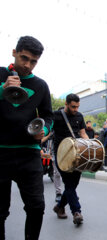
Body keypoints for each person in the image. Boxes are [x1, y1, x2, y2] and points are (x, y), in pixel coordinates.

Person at [0, 36, 53, 240]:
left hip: (28, 153)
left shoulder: (40, 85)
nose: (28, 65)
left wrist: (45, 128)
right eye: (24, 58)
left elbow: (48, 115)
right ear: (14, 52)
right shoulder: (0, 74)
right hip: (1, 152)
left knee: (36, 207)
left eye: (33, 61)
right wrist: (1, 89)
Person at [52, 93, 89, 225]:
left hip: (77, 155)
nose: (76, 110)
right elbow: (48, 130)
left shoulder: (79, 116)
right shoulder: (56, 115)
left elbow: (83, 133)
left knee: (73, 185)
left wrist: (90, 144)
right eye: (73, 107)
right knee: (69, 183)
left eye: (77, 107)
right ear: (66, 104)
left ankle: (59, 206)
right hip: (61, 156)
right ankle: (76, 212)